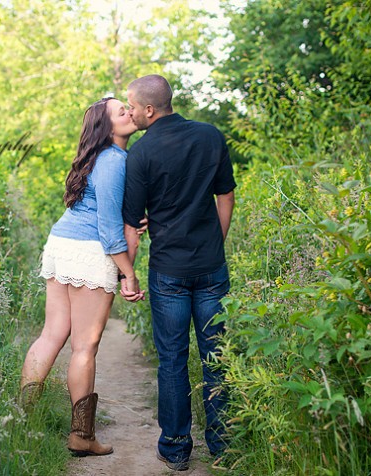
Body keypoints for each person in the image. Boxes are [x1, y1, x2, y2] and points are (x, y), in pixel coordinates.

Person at [121, 74, 236, 471]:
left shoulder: (140, 153)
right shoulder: (210, 136)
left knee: (172, 358)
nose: (130, 112)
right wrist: (215, 244)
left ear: (149, 109)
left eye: (132, 106)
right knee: (216, 355)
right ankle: (223, 445)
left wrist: (128, 274)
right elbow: (226, 195)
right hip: (211, 268)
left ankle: (175, 448)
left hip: (168, 270)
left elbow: (132, 223)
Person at [19, 97, 145, 457]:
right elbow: (107, 227)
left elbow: (105, 209)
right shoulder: (115, 161)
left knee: (50, 335)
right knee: (84, 347)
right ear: (107, 127)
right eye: (121, 111)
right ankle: (81, 436)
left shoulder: (98, 158)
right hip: (90, 251)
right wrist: (129, 274)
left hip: (62, 243)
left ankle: (23, 420)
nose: (129, 112)